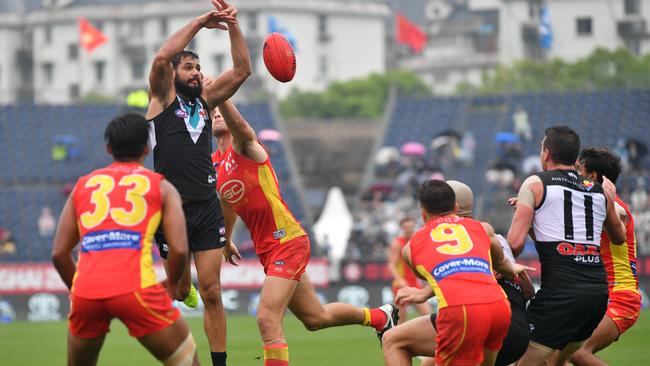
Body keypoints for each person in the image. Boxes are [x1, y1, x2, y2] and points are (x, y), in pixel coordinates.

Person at [213, 100, 398, 366]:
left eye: (222, 109)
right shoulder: (216, 163)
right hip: (269, 248)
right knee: (315, 318)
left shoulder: (244, 147)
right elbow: (227, 201)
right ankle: (381, 317)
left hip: (287, 240)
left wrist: (220, 95)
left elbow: (241, 126)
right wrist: (228, 237)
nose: (217, 113)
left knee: (266, 317)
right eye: (213, 111)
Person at [146, 1, 251, 364]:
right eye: (189, 67)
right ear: (174, 73)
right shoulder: (161, 98)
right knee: (179, 289)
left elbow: (242, 70)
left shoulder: (206, 102)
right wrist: (201, 23)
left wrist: (233, 26)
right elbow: (161, 57)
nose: (196, 73)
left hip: (206, 206)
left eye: (198, 68)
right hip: (170, 208)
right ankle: (181, 286)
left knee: (212, 291)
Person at [51, 113, 199, 366]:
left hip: (87, 292)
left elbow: (59, 254)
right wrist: (172, 285)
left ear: (109, 149)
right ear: (146, 148)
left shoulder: (83, 186)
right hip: (136, 290)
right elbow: (179, 249)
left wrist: (79, 290)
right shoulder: (161, 187)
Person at [507, 126, 626, 365]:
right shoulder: (598, 190)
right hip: (596, 297)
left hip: (560, 296)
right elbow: (619, 237)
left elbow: (514, 244)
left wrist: (499, 263)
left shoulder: (535, 183)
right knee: (555, 362)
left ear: (546, 153)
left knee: (517, 359)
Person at [382, 180, 531, 366]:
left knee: (393, 340)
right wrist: (513, 269)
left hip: (462, 312)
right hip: (500, 309)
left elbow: (441, 273)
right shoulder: (483, 229)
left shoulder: (411, 246)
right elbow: (503, 265)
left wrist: (423, 292)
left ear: (423, 214)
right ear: (455, 206)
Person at [569, 148, 641, 366]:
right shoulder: (593, 205)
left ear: (592, 176)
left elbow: (619, 216)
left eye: (579, 169)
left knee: (579, 353)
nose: (575, 174)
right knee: (553, 353)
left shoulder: (615, 205)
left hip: (621, 295)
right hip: (598, 295)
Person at [386, 217, 431, 324]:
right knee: (401, 319)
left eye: (411, 227)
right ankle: (400, 339)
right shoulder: (397, 243)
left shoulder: (415, 241)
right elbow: (391, 265)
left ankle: (426, 338)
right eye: (406, 227)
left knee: (428, 314)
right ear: (402, 228)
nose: (409, 230)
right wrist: (400, 280)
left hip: (414, 284)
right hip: (401, 285)